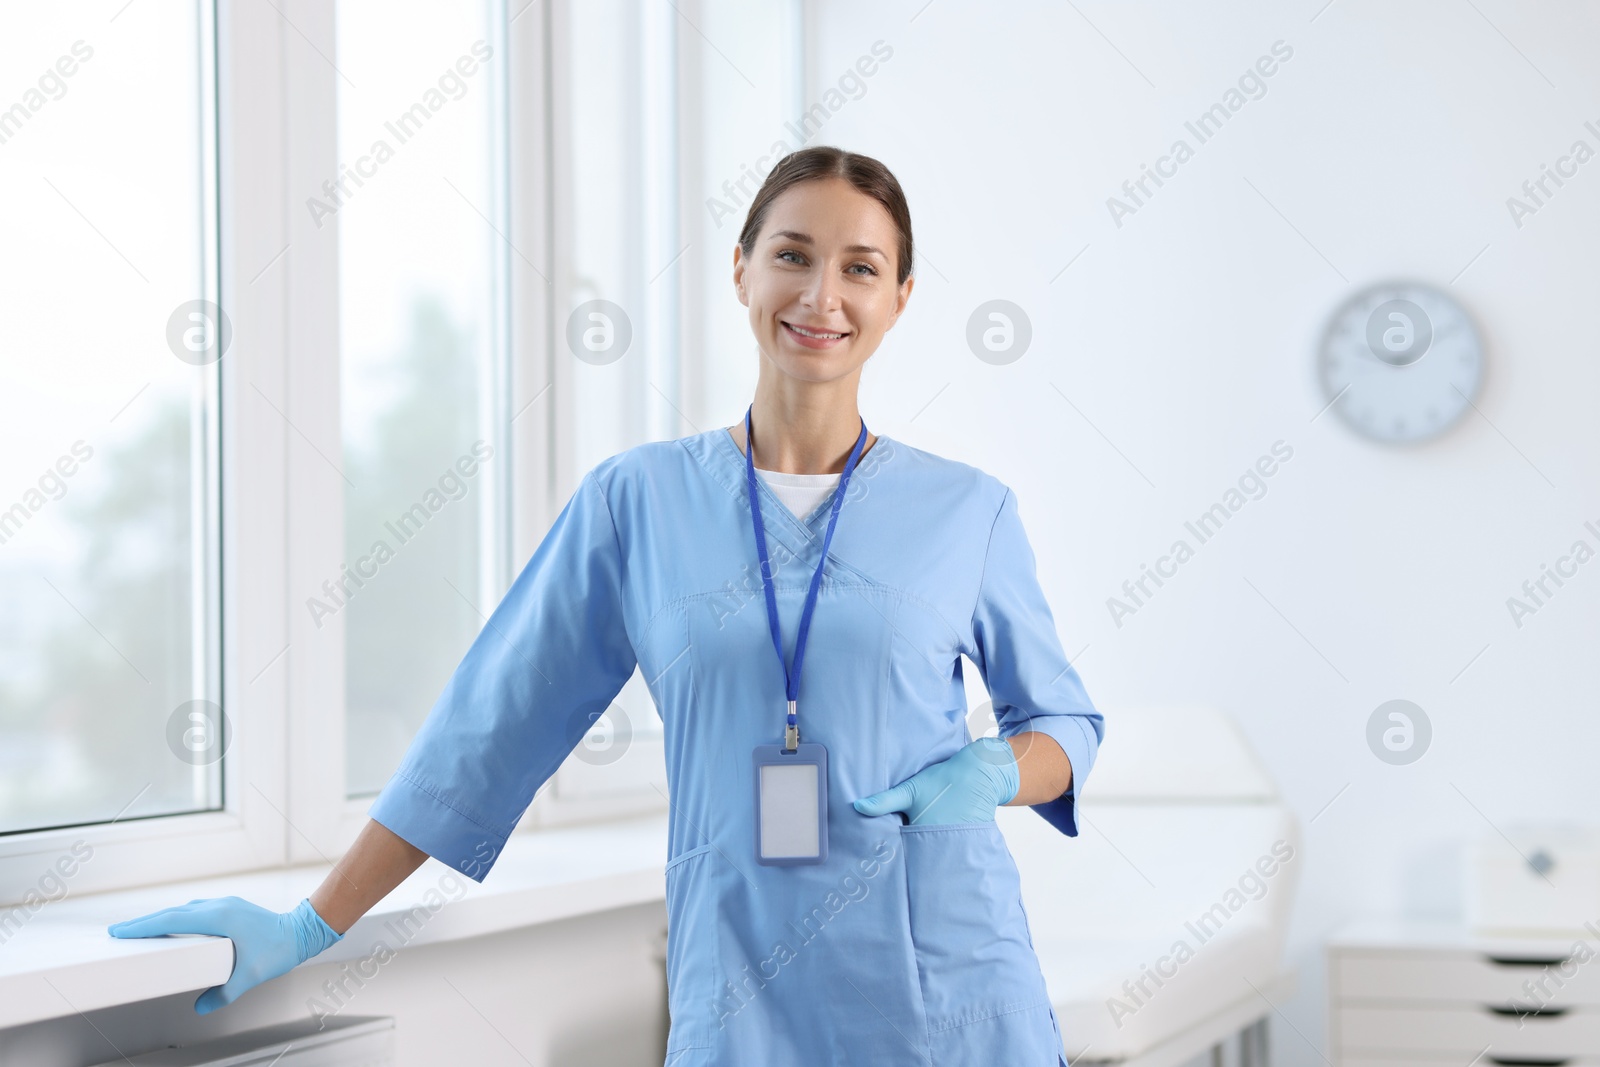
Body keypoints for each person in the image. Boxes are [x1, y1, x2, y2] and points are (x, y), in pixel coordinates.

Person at [109, 146, 1104, 1065]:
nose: (820, 294)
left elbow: (1063, 722)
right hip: (742, 988)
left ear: (899, 299)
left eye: (859, 268)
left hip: (948, 982)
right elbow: (488, 727)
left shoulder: (967, 510)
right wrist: (313, 921)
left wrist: (984, 773)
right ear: (740, 271)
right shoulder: (637, 502)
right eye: (792, 255)